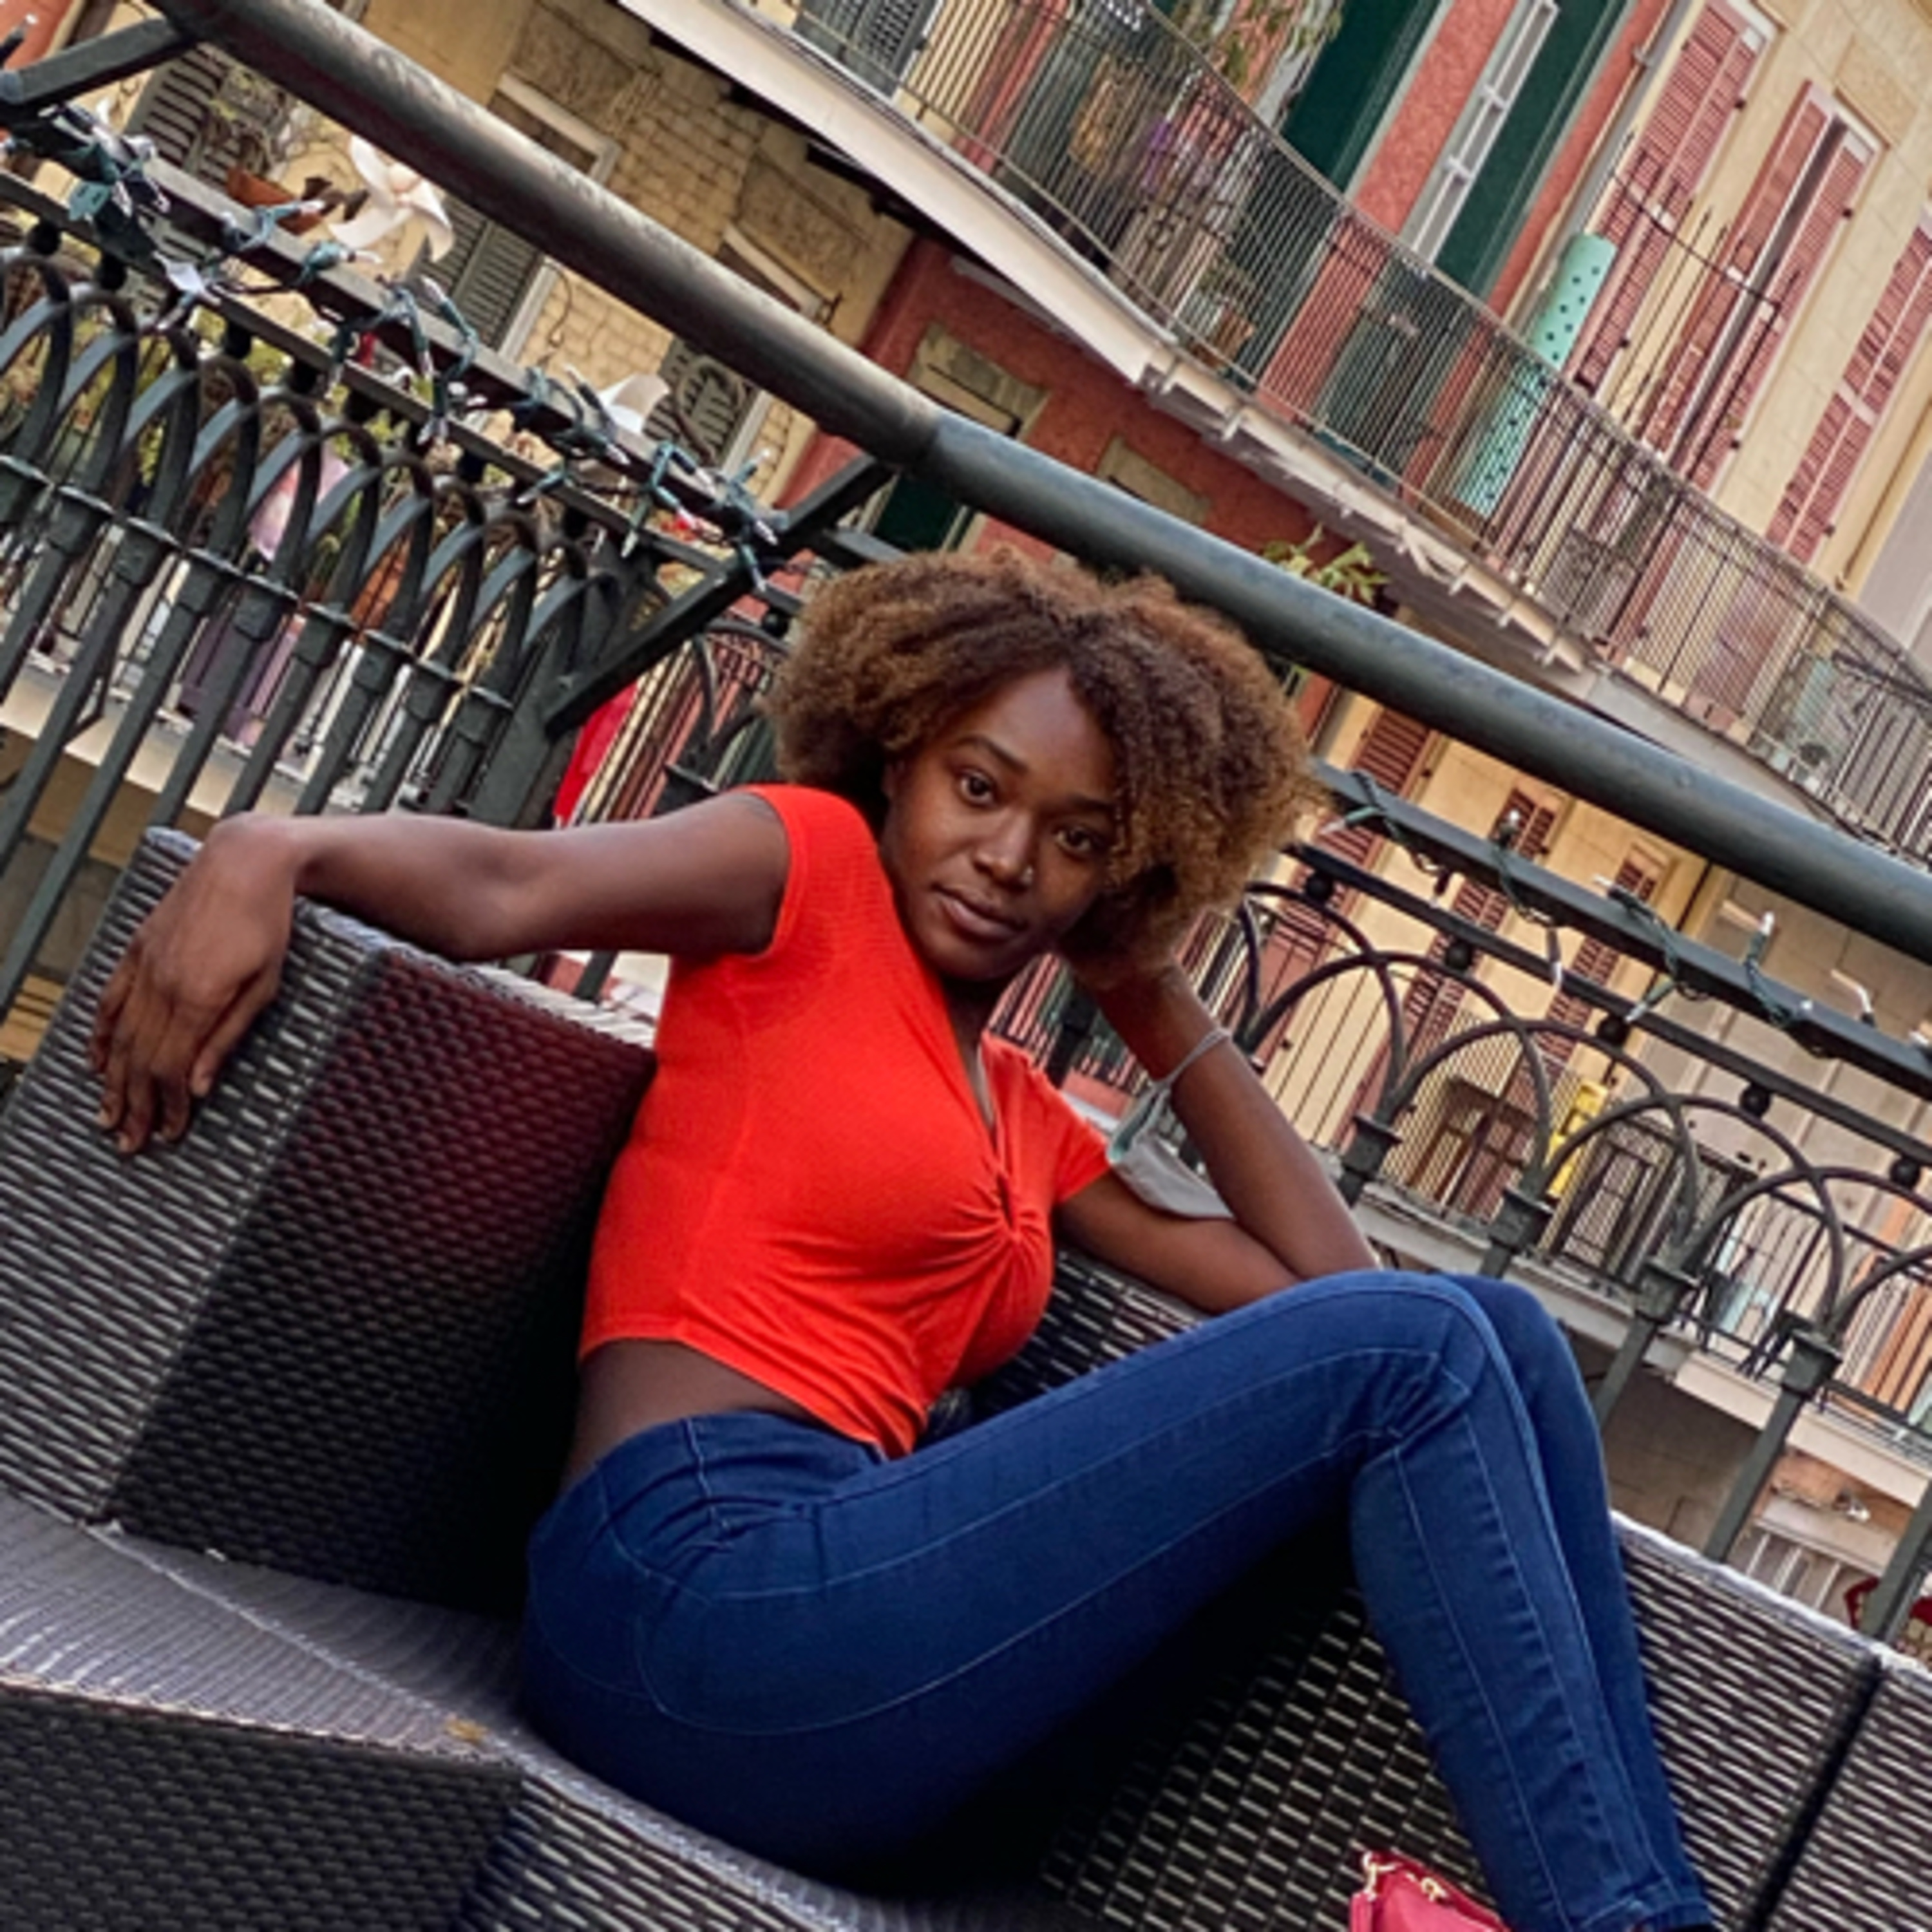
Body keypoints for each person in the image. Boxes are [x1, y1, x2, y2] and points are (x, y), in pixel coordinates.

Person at [90, 549, 1713, 1932]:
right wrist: (270, 848)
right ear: (897, 761)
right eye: (978, 788)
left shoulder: (1023, 1114)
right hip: (693, 1595)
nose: (1008, 858)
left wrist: (1150, 992)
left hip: (868, 1641)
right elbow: (513, 887)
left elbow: (1336, 1299)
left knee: (1499, 1332)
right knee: (1436, 1344)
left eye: (1078, 838)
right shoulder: (800, 871)